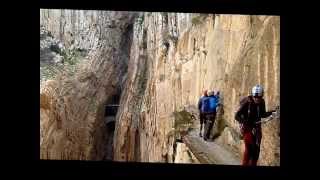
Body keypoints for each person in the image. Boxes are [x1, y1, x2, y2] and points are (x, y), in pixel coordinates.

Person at [235, 85, 276, 166]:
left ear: (262, 96)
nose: (257, 99)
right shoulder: (247, 103)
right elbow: (237, 116)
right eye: (255, 97)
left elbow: (263, 114)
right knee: (249, 148)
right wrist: (245, 122)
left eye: (259, 97)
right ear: (253, 95)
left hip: (257, 128)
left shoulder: (262, 102)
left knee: (257, 150)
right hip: (247, 128)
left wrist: (272, 112)